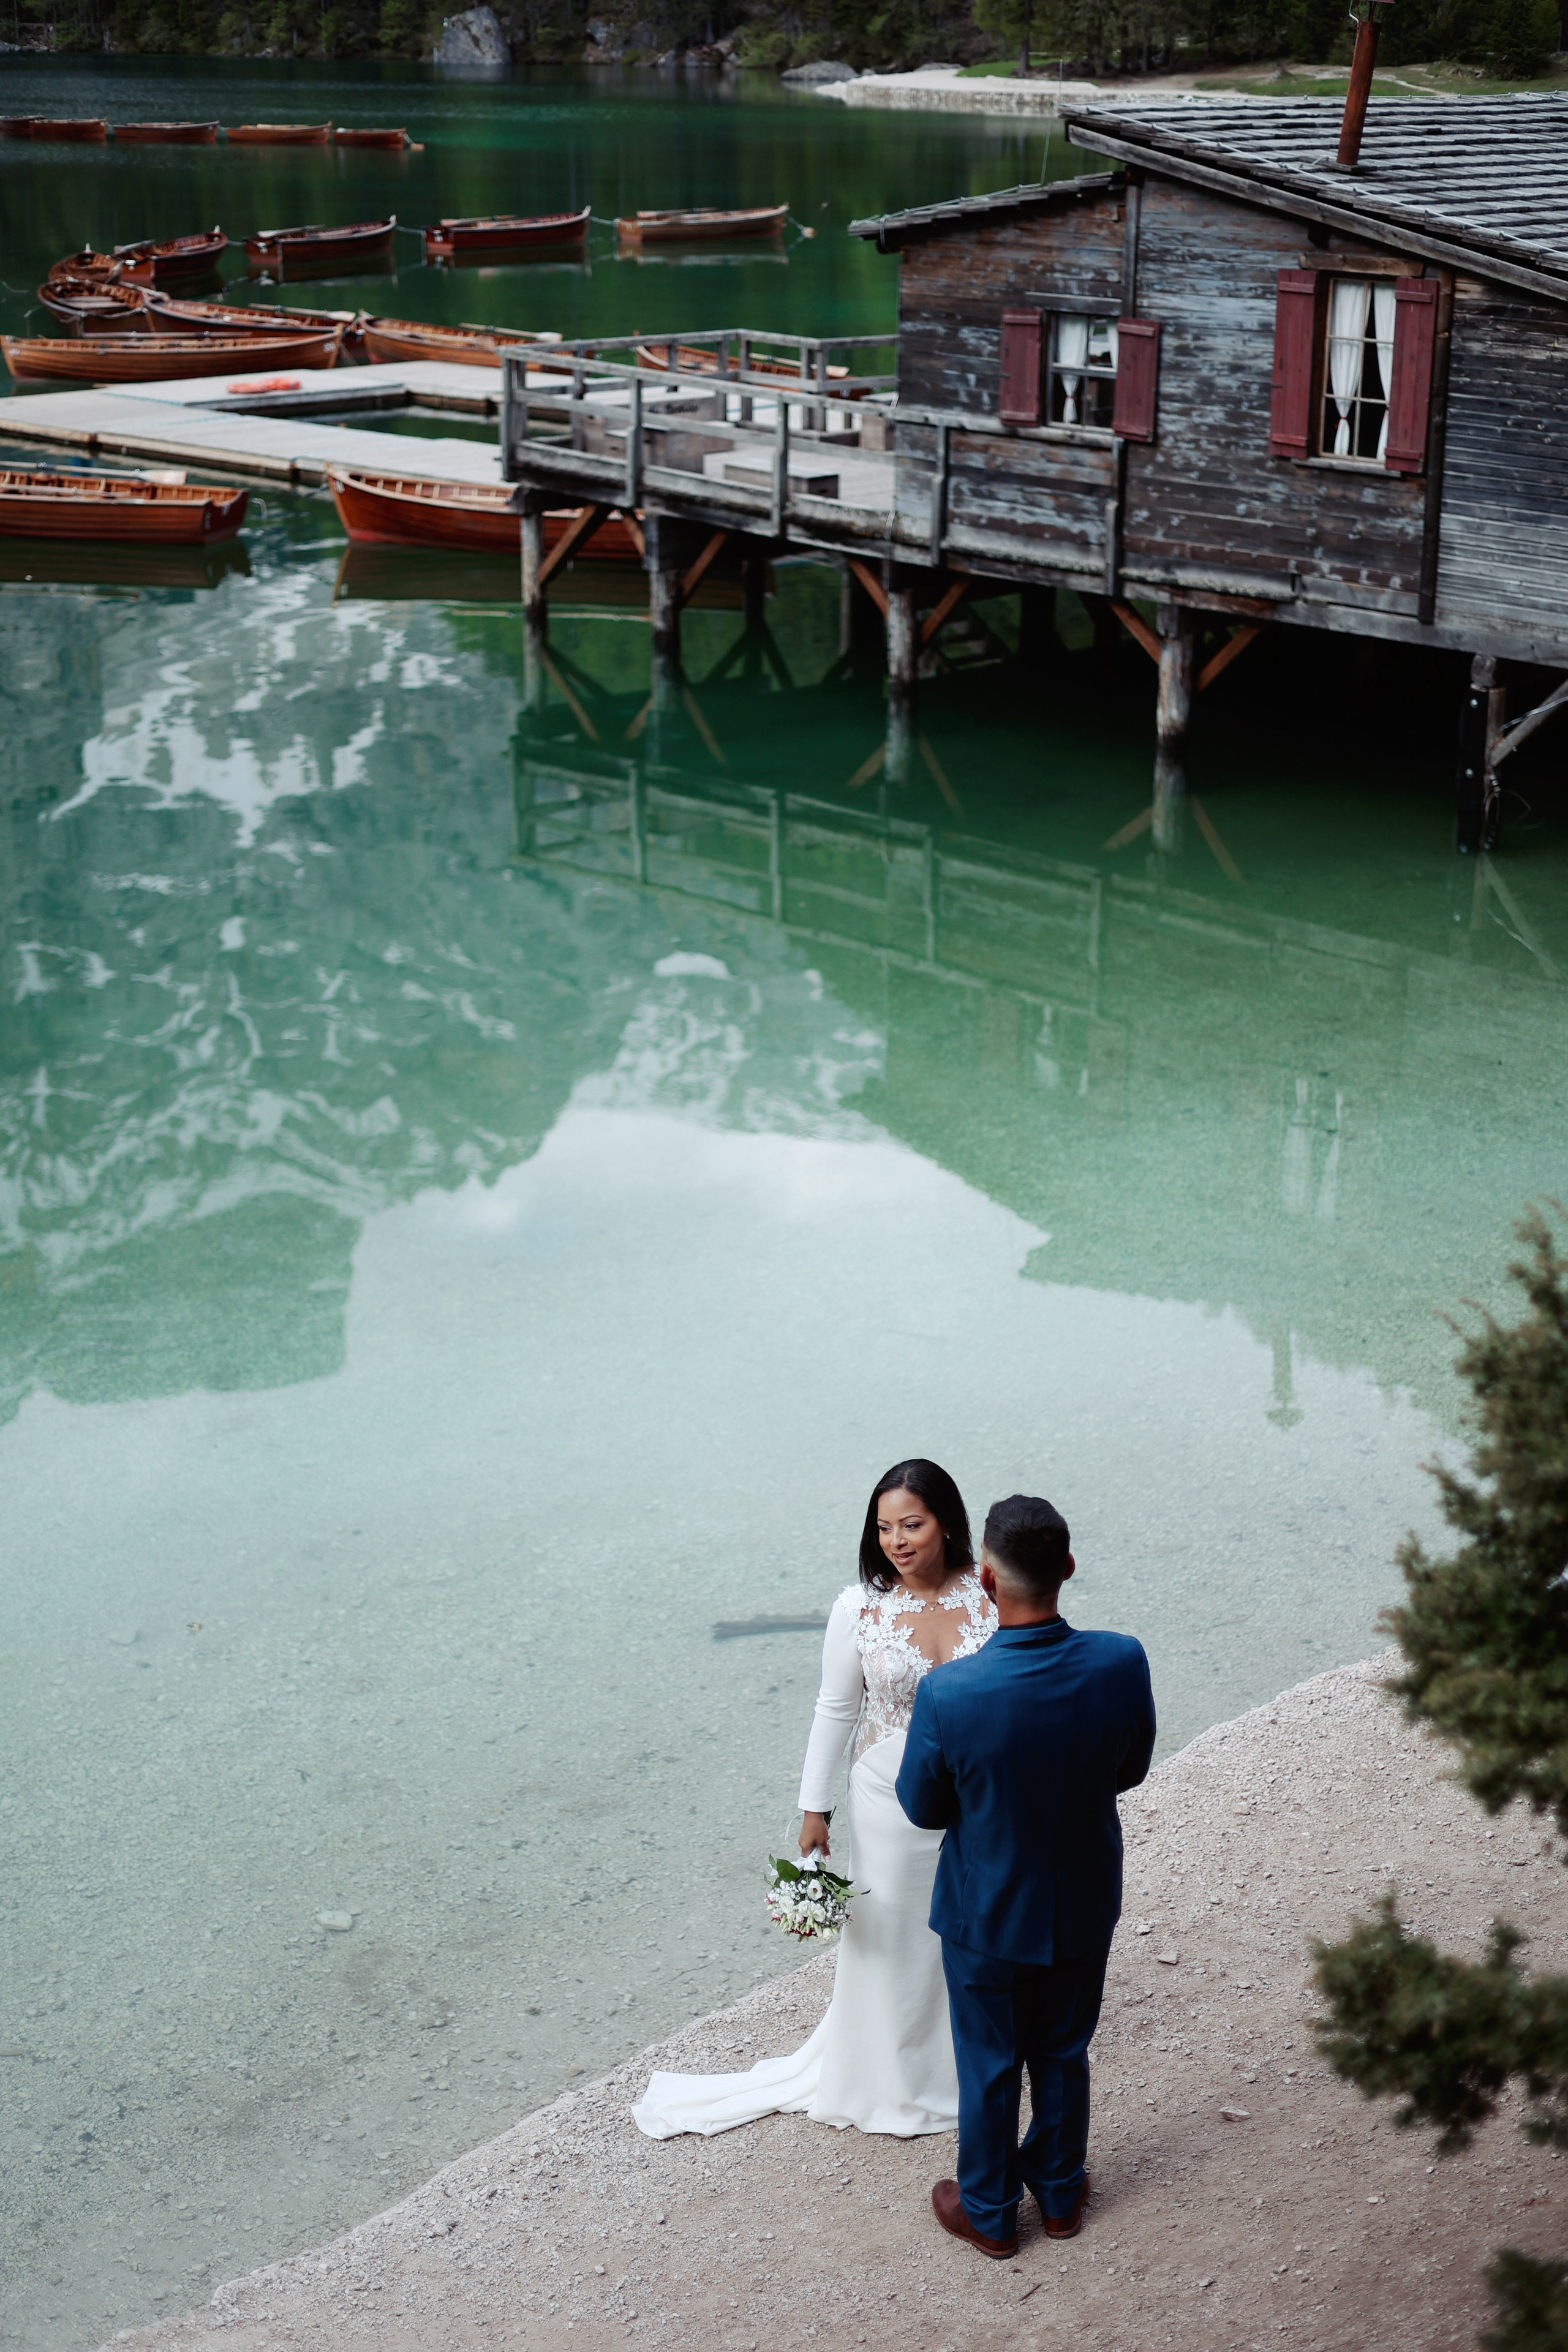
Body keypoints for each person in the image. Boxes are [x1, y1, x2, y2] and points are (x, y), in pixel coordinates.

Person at [631, 1458, 997, 2139]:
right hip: (887, 1802)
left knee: (969, 1924)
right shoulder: (858, 1608)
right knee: (891, 1933)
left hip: (976, 1798)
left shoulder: (987, 1593)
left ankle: (962, 2057)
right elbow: (835, 1710)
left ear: (946, 1522)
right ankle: (889, 2075)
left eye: (912, 1524)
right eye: (885, 1528)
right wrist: (813, 1808)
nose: (897, 1540)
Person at [895, 1493, 1155, 2257]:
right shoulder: (1121, 1659)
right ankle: (1062, 2193)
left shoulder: (950, 1692)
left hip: (986, 1913)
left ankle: (989, 2210)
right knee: (1064, 2050)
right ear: (1067, 1569)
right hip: (1081, 1896)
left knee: (988, 2062)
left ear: (984, 1579)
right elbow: (1130, 1770)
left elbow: (921, 1807)